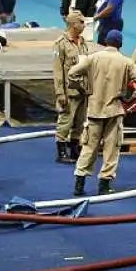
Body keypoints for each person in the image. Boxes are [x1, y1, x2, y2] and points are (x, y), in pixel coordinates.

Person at [68, 29, 136, 196]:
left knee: (89, 147)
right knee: (112, 149)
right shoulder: (126, 62)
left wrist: (84, 88)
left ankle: (79, 184)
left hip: (94, 109)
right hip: (114, 111)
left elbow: (72, 73)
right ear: (121, 44)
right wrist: (130, 98)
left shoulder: (93, 58)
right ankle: (104, 185)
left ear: (105, 42)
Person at [52, 11, 91, 164]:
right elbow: (57, 70)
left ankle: (75, 149)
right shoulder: (61, 43)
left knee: (80, 122)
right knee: (65, 121)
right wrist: (60, 92)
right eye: (81, 22)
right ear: (74, 24)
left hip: (83, 90)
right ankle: (61, 152)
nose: (84, 25)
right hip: (69, 91)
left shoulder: (83, 42)